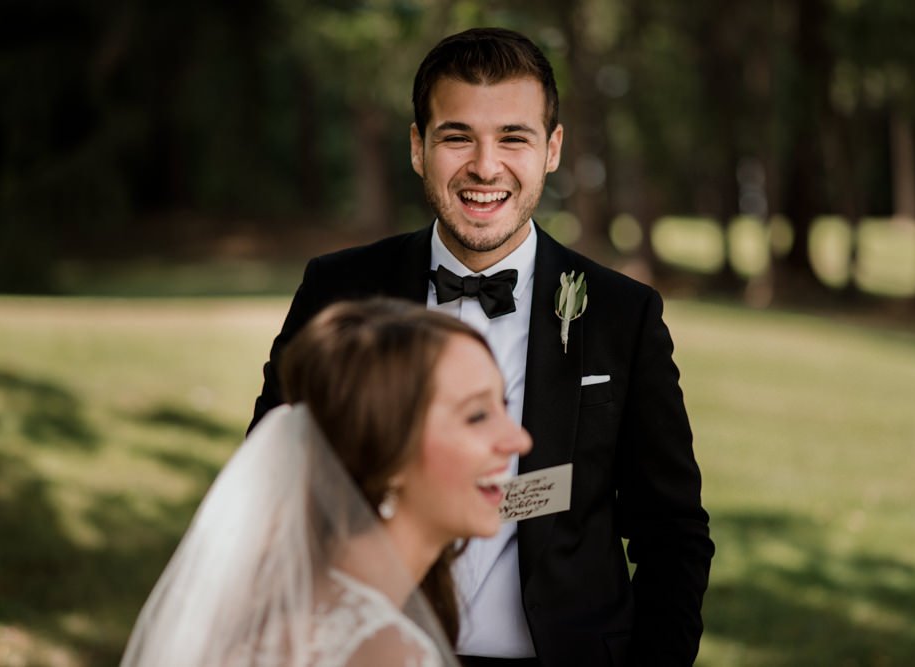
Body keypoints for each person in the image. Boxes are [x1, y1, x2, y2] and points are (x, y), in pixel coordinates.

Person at [249, 27, 714, 666]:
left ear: (552, 149)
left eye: (513, 137)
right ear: (418, 147)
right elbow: (273, 486)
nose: (485, 166)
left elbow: (673, 533)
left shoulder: (621, 315)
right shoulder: (339, 290)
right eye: (457, 136)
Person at [122, 299, 532, 666]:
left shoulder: (286, 609)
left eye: (504, 406)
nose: (519, 440)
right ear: (385, 451)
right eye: (477, 415)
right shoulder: (387, 653)